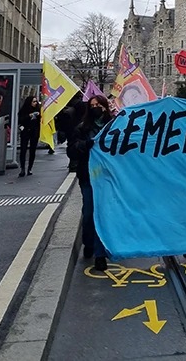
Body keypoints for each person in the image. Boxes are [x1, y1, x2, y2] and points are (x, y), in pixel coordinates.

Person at [69, 95, 114, 271]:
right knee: (89, 213)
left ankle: (100, 254)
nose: (96, 107)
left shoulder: (114, 127)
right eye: (92, 105)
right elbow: (71, 150)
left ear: (105, 107)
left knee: (103, 214)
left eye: (99, 105)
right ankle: (88, 241)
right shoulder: (82, 128)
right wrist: (86, 144)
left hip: (108, 177)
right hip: (88, 176)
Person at [17, 96, 41, 177]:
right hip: (26, 131)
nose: (35, 103)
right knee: (23, 150)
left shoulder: (39, 110)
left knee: (32, 150)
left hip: (34, 132)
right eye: (33, 102)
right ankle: (22, 168)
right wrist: (29, 116)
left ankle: (30, 168)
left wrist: (39, 115)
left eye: (36, 102)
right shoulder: (24, 110)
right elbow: (20, 120)